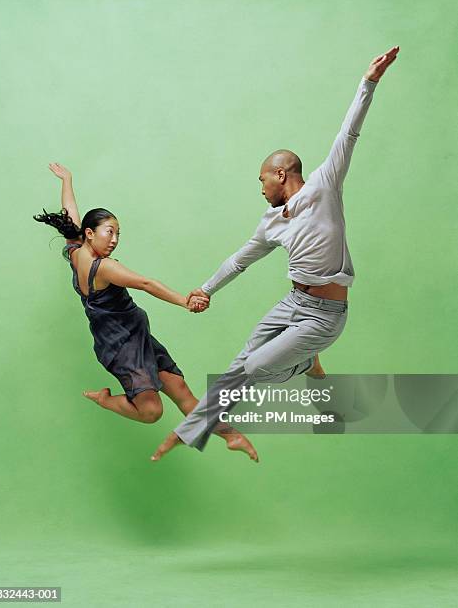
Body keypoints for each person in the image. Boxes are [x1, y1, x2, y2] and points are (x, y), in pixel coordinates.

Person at [151, 46, 400, 461]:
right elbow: (239, 260)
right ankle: (187, 433)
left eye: (263, 179)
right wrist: (206, 289)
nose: (261, 187)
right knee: (239, 364)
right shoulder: (271, 222)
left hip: (325, 315)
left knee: (254, 368)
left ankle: (306, 365)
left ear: (281, 174)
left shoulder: (325, 186)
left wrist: (368, 82)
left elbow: (348, 134)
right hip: (294, 302)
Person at [33, 163, 258, 460]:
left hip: (138, 337)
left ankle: (232, 436)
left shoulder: (76, 250)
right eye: (109, 232)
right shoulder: (105, 268)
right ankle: (105, 400)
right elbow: (146, 283)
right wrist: (185, 301)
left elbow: (70, 212)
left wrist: (67, 179)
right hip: (121, 345)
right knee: (152, 411)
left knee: (182, 393)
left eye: (118, 234)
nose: (114, 240)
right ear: (90, 233)